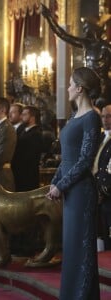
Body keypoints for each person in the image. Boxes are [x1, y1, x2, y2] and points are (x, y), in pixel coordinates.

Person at [46, 67, 102, 300]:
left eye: (70, 84)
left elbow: (85, 160)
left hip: (81, 191)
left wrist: (62, 185)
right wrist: (55, 181)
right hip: (70, 190)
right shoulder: (74, 116)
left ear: (80, 88)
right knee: (70, 247)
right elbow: (67, 157)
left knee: (80, 247)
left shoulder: (92, 117)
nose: (67, 88)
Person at [41, 3, 111, 107]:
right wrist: (49, 18)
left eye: (86, 28)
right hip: (89, 84)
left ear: (94, 29)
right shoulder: (87, 44)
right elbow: (63, 35)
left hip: (103, 86)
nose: (84, 31)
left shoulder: (106, 48)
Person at [12, 105, 43, 192]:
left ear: (32, 117)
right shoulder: (21, 129)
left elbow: (30, 156)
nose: (22, 117)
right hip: (17, 171)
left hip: (28, 174)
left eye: (25, 114)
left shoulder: (36, 133)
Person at [93, 104, 111, 250]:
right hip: (96, 190)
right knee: (100, 231)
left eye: (109, 116)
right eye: (103, 116)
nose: (105, 119)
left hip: (108, 193)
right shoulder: (99, 138)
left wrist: (104, 190)